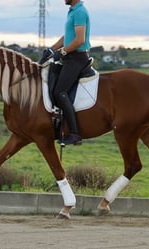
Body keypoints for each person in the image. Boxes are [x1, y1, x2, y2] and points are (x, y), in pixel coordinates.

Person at [40, 0, 91, 145]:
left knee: (60, 91)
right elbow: (68, 37)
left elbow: (79, 40)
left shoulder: (80, 12)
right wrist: (52, 49)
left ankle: (75, 134)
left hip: (77, 58)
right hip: (70, 57)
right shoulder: (73, 11)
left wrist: (61, 52)